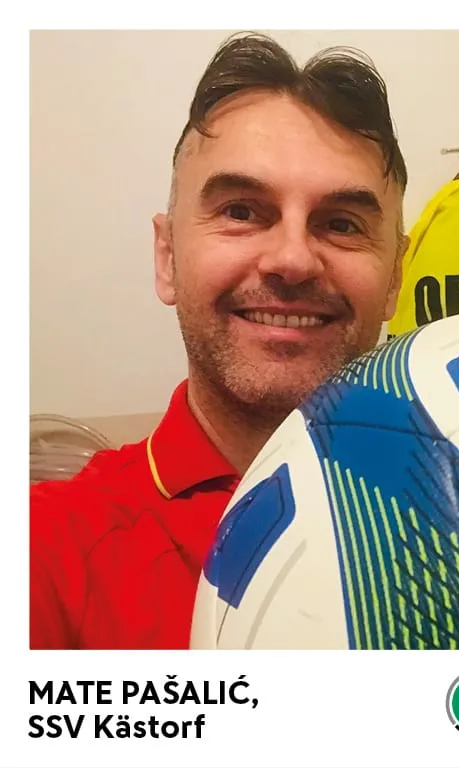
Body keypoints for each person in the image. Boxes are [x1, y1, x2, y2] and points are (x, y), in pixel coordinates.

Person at [30, 31, 409, 649]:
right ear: (167, 257)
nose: (292, 259)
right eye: (241, 211)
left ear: (394, 276)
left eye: (341, 223)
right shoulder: (46, 551)